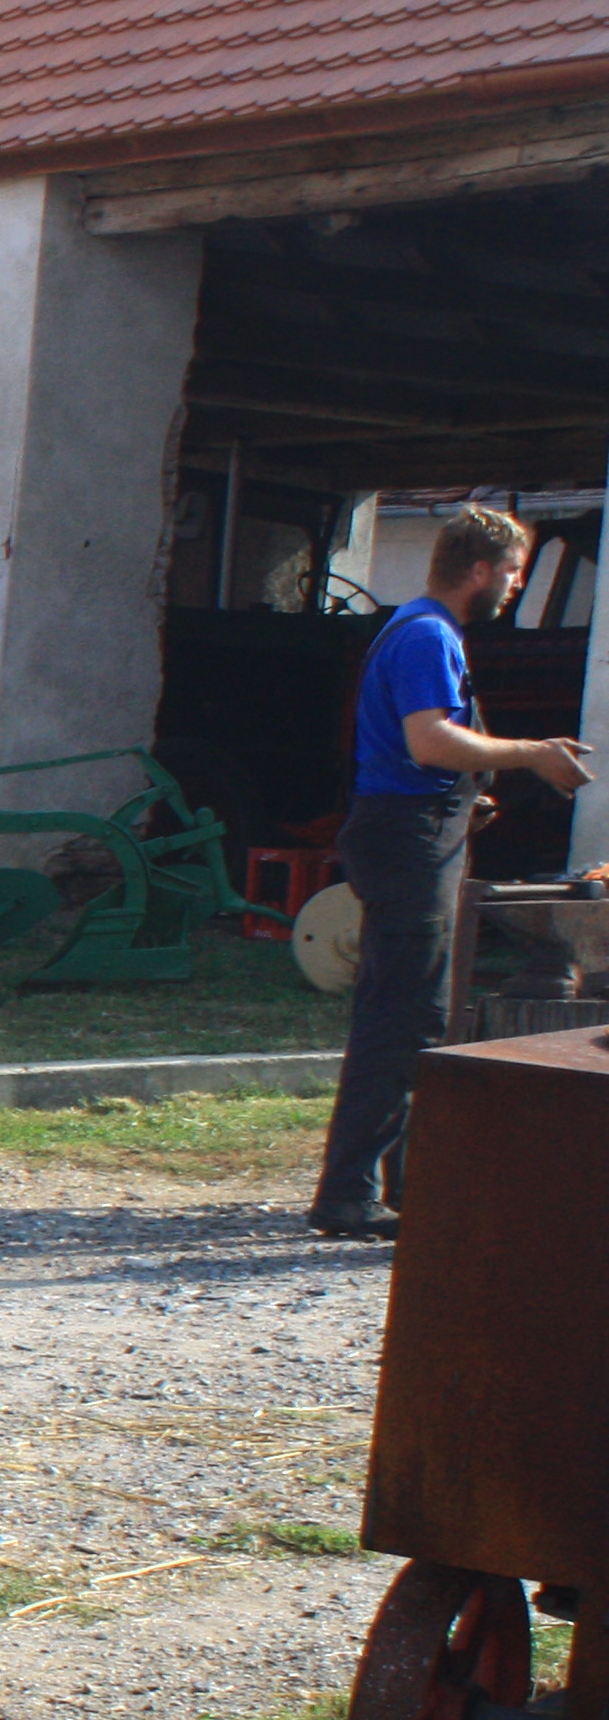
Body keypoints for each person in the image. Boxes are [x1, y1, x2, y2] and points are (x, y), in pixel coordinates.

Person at [310, 504, 586, 1242]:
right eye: (514, 571)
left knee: (412, 1012)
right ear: (478, 571)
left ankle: (399, 1185)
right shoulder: (429, 634)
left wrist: (470, 795)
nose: (517, 585)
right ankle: (349, 1195)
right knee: (403, 1014)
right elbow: (429, 741)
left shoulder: (423, 629)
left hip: (414, 827)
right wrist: (531, 753)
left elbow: (432, 755)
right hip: (406, 837)